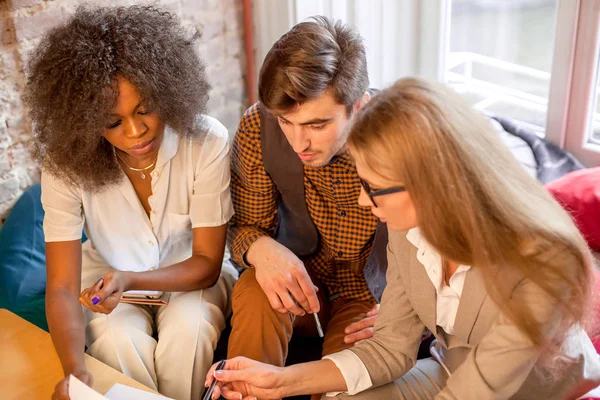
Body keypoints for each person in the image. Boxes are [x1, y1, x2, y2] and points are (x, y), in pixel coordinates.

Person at [205, 77, 600, 399]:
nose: (363, 199)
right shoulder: (406, 228)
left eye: (374, 187)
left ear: (432, 183)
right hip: (450, 370)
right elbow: (390, 347)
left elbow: (478, 391)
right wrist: (281, 382)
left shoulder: (545, 264)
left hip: (538, 393)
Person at [24, 5, 237, 400]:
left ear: (167, 91)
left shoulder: (207, 141)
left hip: (191, 277)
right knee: (119, 340)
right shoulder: (64, 164)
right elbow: (62, 287)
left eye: (145, 110)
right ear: (84, 121)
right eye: (112, 122)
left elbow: (206, 266)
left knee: (189, 333)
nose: (136, 131)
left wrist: (131, 280)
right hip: (105, 281)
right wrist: (76, 373)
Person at [226, 16, 391, 375]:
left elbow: (444, 250)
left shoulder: (401, 138)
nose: (299, 142)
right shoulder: (258, 127)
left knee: (346, 385)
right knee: (256, 290)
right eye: (287, 122)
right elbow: (244, 227)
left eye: (318, 125)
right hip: (299, 279)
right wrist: (260, 248)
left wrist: (409, 315)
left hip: (371, 294)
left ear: (359, 106)